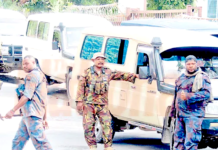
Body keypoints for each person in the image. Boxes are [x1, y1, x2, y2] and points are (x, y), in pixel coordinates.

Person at [76, 52, 139, 150]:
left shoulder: (108, 72)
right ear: (93, 60)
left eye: (102, 59)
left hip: (103, 105)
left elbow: (120, 75)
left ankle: (108, 146)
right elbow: (80, 87)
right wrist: (79, 101)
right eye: (98, 59)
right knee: (88, 126)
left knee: (107, 125)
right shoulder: (87, 72)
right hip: (89, 104)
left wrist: (134, 76)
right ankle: (92, 146)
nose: (100, 61)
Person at [4, 55, 52, 150]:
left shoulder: (32, 76)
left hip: (32, 114)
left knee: (41, 143)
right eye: (23, 64)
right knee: (18, 141)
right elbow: (44, 98)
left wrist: (13, 110)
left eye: (27, 63)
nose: (24, 66)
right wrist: (45, 117)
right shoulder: (41, 75)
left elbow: (26, 96)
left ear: (33, 63)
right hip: (30, 114)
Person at [169, 55, 212, 150]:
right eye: (188, 64)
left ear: (197, 64)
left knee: (191, 141)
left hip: (193, 115)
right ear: (185, 65)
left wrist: (189, 96)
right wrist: (172, 112)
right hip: (180, 115)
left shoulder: (202, 77)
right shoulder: (181, 78)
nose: (191, 66)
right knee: (178, 141)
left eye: (193, 64)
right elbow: (176, 96)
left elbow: (206, 94)